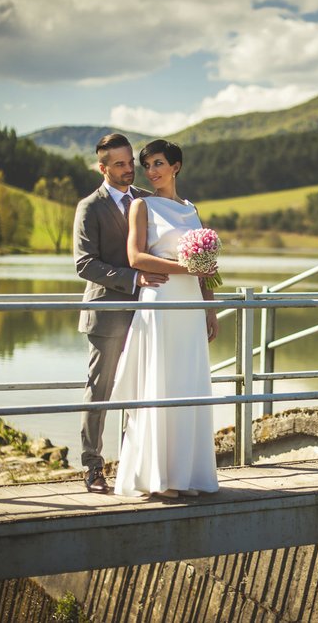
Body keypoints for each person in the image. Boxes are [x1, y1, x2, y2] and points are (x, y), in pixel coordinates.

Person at [112, 139, 220, 498]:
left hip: (190, 305)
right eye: (147, 165)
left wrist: (210, 307)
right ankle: (156, 477)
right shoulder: (141, 206)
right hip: (160, 301)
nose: (151, 171)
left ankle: (186, 475)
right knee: (160, 382)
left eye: (158, 163)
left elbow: (204, 270)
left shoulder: (191, 210)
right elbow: (135, 257)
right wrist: (182, 267)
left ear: (176, 166)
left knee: (187, 382)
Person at [73, 133, 168, 493]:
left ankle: (133, 466)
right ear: (103, 167)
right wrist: (134, 278)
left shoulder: (147, 201)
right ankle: (93, 467)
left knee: (142, 390)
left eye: (131, 162)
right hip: (107, 311)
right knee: (100, 391)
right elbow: (85, 264)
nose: (130, 170)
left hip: (147, 313)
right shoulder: (90, 207)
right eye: (120, 164)